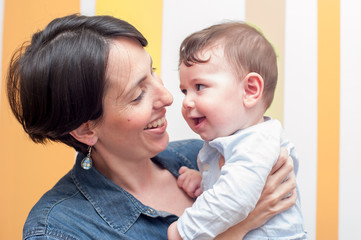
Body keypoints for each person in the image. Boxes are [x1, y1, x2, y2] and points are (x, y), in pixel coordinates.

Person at [6, 14, 297, 240]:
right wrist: (238, 227)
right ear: (86, 129)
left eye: (153, 71)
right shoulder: (60, 228)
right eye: (137, 94)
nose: (169, 98)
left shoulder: (203, 155)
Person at [168, 22, 306, 239]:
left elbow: (235, 199)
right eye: (184, 90)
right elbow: (237, 189)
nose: (186, 101)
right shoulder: (235, 141)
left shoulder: (257, 142)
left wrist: (185, 230)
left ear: (250, 90)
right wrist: (206, 181)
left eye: (199, 87)